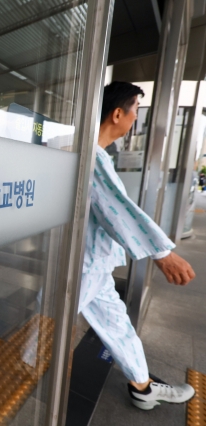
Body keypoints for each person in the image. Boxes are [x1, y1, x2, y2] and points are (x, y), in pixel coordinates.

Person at [80, 81, 197, 410]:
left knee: (118, 326)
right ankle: (16, 369)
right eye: (134, 113)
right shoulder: (91, 157)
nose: (134, 120)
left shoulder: (97, 156)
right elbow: (117, 211)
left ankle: (143, 387)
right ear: (117, 114)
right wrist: (163, 255)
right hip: (83, 267)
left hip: (95, 265)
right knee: (42, 321)